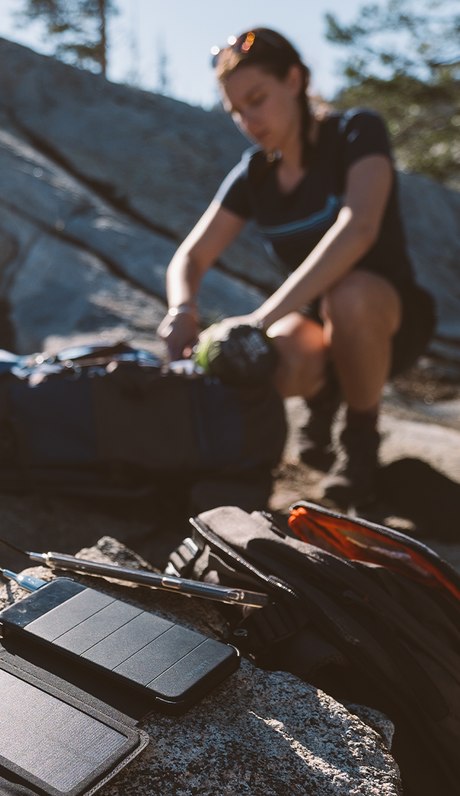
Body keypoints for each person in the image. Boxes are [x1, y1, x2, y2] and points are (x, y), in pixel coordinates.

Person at [158, 28, 434, 508]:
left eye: (257, 99)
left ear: (294, 79)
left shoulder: (355, 132)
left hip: (386, 314)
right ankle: (319, 406)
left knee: (347, 294)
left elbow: (360, 228)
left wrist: (258, 319)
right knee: (259, 363)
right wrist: (182, 308)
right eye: (237, 111)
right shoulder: (255, 173)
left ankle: (360, 450)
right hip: (315, 321)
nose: (249, 119)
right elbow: (192, 255)